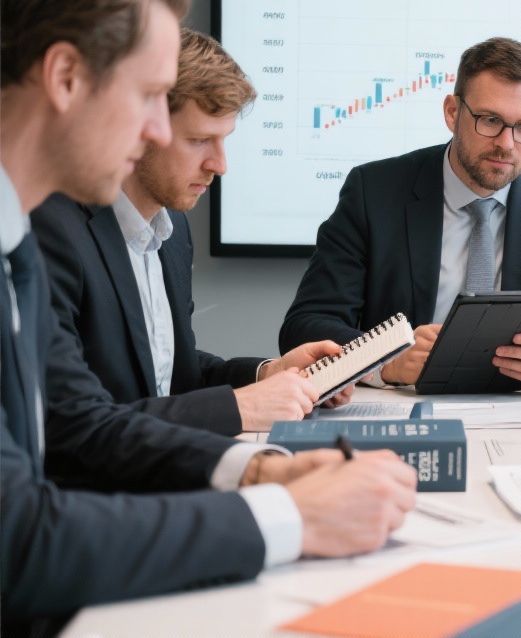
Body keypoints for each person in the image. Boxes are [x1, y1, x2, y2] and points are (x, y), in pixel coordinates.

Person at [0, 0, 415, 630]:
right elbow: (21, 539)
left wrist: (260, 468)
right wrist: (287, 515)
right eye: (148, 97)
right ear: (66, 76)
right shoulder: (39, 237)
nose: (157, 135)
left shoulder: (17, 247)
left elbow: (69, 425)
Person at [279, 36, 521, 393]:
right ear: (452, 112)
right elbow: (307, 325)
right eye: (489, 120)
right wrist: (385, 362)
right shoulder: (374, 191)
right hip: (405, 407)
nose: (506, 144)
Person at [30, 28, 353, 436]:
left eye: (223, 141)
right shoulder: (54, 230)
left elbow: (170, 376)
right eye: (200, 140)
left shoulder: (173, 230)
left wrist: (269, 373)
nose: (219, 165)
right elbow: (71, 425)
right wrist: (237, 409)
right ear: (144, 128)